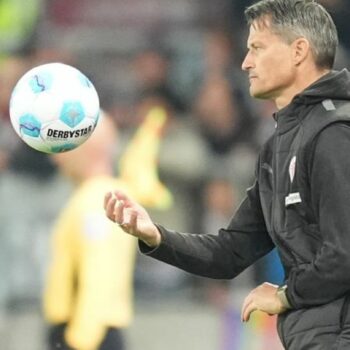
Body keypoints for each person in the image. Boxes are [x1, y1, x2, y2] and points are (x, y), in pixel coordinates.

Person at [104, 0, 350, 348]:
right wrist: (155, 236)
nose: (245, 62)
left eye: (257, 49)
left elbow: (345, 254)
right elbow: (229, 252)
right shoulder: (277, 145)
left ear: (298, 51)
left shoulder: (336, 133)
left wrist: (285, 296)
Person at [43, 109, 171, 350]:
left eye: (64, 146)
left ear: (88, 148)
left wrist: (80, 341)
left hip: (87, 334)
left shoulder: (98, 201)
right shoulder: (97, 196)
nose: (57, 157)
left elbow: (99, 274)